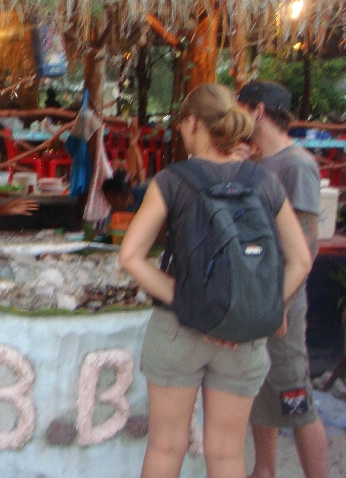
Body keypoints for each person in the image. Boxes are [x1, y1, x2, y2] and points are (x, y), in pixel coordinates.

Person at [119, 83, 312, 478]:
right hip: (243, 339)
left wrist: (191, 301)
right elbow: (302, 261)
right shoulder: (264, 182)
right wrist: (253, 306)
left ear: (192, 123)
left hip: (179, 330)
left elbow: (130, 256)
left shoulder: (172, 181)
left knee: (165, 446)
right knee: (226, 454)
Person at [238, 80, 329, 478]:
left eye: (239, 106)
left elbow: (307, 248)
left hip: (282, 305)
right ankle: (265, 470)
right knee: (263, 392)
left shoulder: (297, 165)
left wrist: (283, 303)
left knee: (297, 399)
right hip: (261, 300)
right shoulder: (259, 164)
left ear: (257, 110)